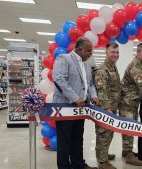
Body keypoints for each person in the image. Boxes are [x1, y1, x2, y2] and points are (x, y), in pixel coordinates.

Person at [53, 37, 99, 169]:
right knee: (65, 140)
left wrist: (93, 96)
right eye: (88, 50)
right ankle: (64, 166)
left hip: (80, 107)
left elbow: (90, 84)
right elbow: (59, 79)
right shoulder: (64, 58)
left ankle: (79, 165)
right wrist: (75, 97)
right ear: (79, 49)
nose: (91, 53)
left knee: (78, 138)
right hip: (65, 107)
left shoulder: (87, 64)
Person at [94, 42, 121, 169]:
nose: (115, 55)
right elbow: (101, 90)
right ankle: (102, 162)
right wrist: (107, 109)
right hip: (105, 109)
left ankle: (104, 154)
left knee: (109, 133)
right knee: (103, 134)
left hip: (112, 107)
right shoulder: (102, 70)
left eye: (117, 52)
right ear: (106, 53)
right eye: (112, 52)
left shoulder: (113, 67)